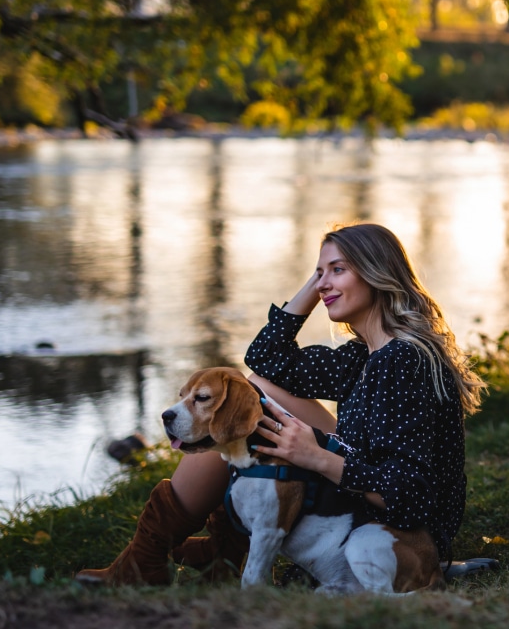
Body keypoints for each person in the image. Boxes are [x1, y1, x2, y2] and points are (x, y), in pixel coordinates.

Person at [76, 223, 486, 585]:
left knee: (248, 402)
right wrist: (318, 283)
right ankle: (226, 544)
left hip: (404, 532)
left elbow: (409, 497)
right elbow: (266, 358)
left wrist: (316, 457)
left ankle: (159, 559)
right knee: (256, 390)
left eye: (338, 269)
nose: (323, 283)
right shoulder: (363, 356)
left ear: (378, 274)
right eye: (319, 272)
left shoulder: (402, 360)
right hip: (368, 488)